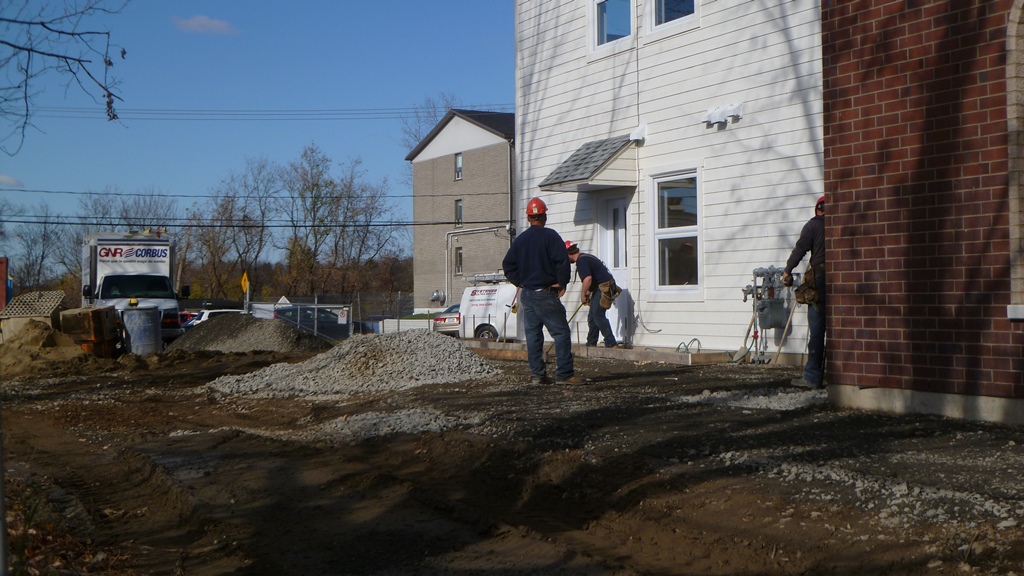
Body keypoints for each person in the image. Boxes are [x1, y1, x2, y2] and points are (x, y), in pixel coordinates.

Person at [502, 197, 583, 384]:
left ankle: (537, 375)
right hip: (546, 293)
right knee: (561, 333)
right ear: (544, 216)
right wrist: (562, 283)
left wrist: (520, 282)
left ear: (529, 217)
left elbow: (508, 265)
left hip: (528, 295)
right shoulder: (551, 236)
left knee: (533, 336)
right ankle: (564, 374)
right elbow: (562, 261)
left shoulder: (521, 240)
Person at [782, 195, 826, 389]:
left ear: (817, 209)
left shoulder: (813, 226)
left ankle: (812, 377)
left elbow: (800, 249)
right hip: (844, 281)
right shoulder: (841, 225)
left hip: (820, 279)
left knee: (817, 330)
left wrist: (787, 270)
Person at [565, 241, 620, 348]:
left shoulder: (581, 261)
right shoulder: (586, 257)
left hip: (604, 287)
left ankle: (611, 343)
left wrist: (583, 295)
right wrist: (589, 292)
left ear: (568, 254)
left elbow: (588, 279)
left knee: (598, 315)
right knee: (592, 317)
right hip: (600, 287)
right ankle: (591, 343)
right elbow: (594, 277)